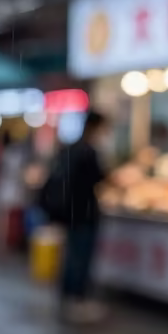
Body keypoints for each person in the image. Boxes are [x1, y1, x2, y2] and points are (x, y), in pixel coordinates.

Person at [52, 110, 108, 322]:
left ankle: (67, 297)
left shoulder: (71, 148)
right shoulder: (88, 151)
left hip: (70, 211)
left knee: (71, 255)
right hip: (84, 212)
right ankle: (77, 300)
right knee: (80, 257)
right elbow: (100, 178)